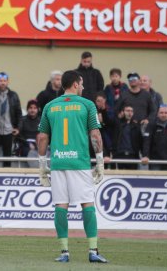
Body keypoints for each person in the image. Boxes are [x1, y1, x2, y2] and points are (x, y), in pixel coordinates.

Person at [37, 70, 108, 263]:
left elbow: (42, 136)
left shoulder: (50, 106)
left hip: (58, 162)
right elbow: (95, 135)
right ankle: (93, 250)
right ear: (75, 84)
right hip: (79, 162)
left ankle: (64, 253)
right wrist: (100, 162)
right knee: (87, 203)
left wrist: (42, 166)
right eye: (82, 84)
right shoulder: (87, 105)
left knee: (61, 205)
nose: (83, 87)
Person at [142, 104, 167, 170]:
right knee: (154, 180)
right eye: (161, 113)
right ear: (157, 114)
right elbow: (147, 141)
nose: (163, 115)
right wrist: (145, 156)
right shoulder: (151, 124)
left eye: (166, 113)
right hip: (155, 160)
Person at [112, 105, 143, 170]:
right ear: (123, 112)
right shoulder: (117, 124)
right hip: (119, 155)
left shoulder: (136, 126)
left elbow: (141, 141)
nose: (129, 113)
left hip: (133, 156)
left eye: (131, 111)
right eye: (127, 111)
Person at [16, 99, 41, 167]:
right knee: (30, 152)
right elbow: (18, 135)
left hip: (38, 145)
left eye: (35, 108)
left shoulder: (41, 121)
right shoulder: (22, 120)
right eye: (30, 108)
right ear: (27, 109)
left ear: (38, 109)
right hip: (25, 145)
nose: (32, 110)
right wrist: (28, 144)